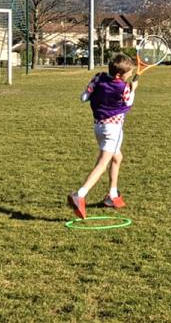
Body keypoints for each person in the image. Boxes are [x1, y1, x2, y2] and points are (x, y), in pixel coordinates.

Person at [68, 53, 140, 219]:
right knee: (102, 163)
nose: (129, 76)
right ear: (118, 75)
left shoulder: (99, 77)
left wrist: (90, 94)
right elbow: (129, 102)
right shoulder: (123, 88)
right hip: (112, 129)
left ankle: (112, 195)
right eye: (127, 74)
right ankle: (80, 194)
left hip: (99, 127)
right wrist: (132, 89)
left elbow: (84, 96)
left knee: (117, 158)